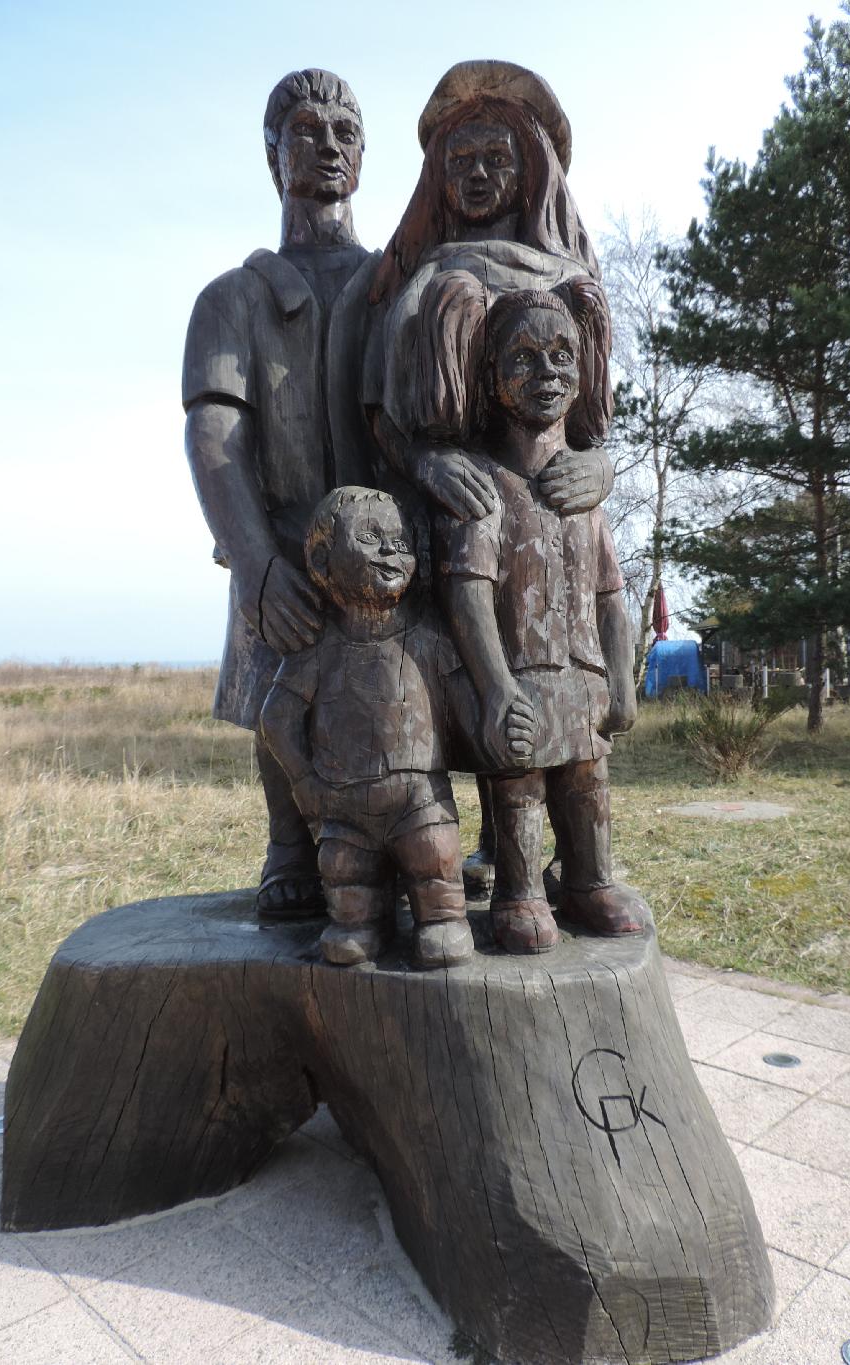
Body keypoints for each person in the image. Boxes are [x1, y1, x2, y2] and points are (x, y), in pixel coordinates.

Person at [366, 61, 618, 895]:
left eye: (496, 158)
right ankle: (434, 865)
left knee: (567, 752)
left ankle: (563, 876)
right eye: (460, 159)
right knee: (472, 707)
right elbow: (379, 406)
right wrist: (427, 458)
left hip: (552, 521)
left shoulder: (565, 273)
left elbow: (590, 416)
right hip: (455, 516)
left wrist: (599, 467)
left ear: (531, 168)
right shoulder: (427, 274)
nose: (477, 174)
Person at [182, 69, 381, 917]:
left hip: (388, 552)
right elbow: (213, 434)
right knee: (280, 683)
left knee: (410, 681)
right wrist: (255, 559)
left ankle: (422, 832)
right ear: (274, 156)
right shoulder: (233, 298)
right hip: (284, 542)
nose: (328, 145)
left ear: (363, 157)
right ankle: (288, 841)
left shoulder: (400, 284)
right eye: (307, 131)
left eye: (345, 132)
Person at [434, 284, 642, 954]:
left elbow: (613, 596)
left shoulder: (586, 496)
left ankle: (588, 880)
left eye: (561, 356)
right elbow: (467, 594)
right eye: (525, 358)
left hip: (583, 680)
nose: (547, 372)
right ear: (494, 377)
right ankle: (519, 890)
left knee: (588, 786)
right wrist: (494, 687)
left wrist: (623, 678)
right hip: (519, 680)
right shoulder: (487, 487)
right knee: (518, 790)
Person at [259, 488, 476, 970]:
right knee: (345, 873)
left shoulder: (429, 637)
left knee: (436, 857)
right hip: (343, 806)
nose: (390, 552)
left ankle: (441, 920)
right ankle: (358, 922)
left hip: (421, 800)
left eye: (399, 542)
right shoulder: (316, 647)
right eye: (370, 538)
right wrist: (303, 781)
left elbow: (464, 707)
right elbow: (276, 718)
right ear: (322, 557)